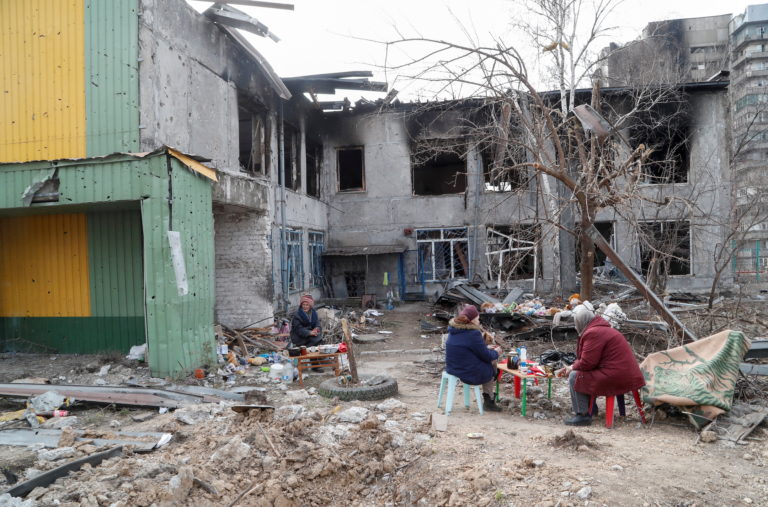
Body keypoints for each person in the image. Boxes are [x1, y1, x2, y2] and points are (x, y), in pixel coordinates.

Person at [556, 301, 645, 426]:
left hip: (616, 376)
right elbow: (590, 360)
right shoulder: (600, 329)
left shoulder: (593, 333)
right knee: (581, 373)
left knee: (575, 376)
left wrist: (571, 368)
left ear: (581, 322)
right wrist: (574, 365)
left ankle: (582, 415)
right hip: (624, 374)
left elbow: (587, 363)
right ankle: (591, 408)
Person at [445, 305, 503, 412]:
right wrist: (496, 352)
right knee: (492, 362)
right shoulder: (473, 333)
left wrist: (485, 348)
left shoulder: (454, 329)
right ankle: (489, 400)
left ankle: (491, 388)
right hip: (467, 371)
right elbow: (486, 356)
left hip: (453, 367)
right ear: (471, 320)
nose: (479, 321)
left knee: (490, 362)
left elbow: (467, 348)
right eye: (477, 319)